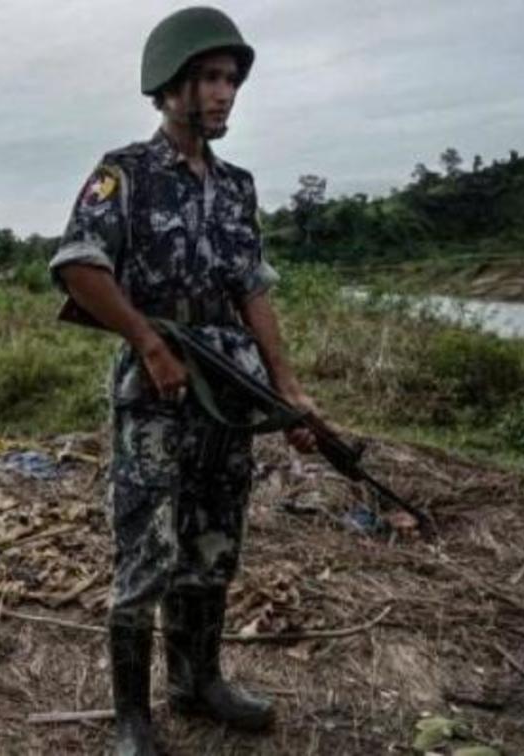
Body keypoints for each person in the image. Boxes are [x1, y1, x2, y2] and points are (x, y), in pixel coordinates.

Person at [49, 7, 318, 754]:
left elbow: (252, 290)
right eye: (208, 78)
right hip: (159, 388)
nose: (224, 93)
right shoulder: (125, 173)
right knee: (147, 547)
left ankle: (198, 681)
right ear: (169, 87)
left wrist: (286, 387)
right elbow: (78, 264)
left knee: (212, 541)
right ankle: (133, 717)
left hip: (230, 388)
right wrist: (148, 343)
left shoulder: (236, 187)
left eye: (230, 80)